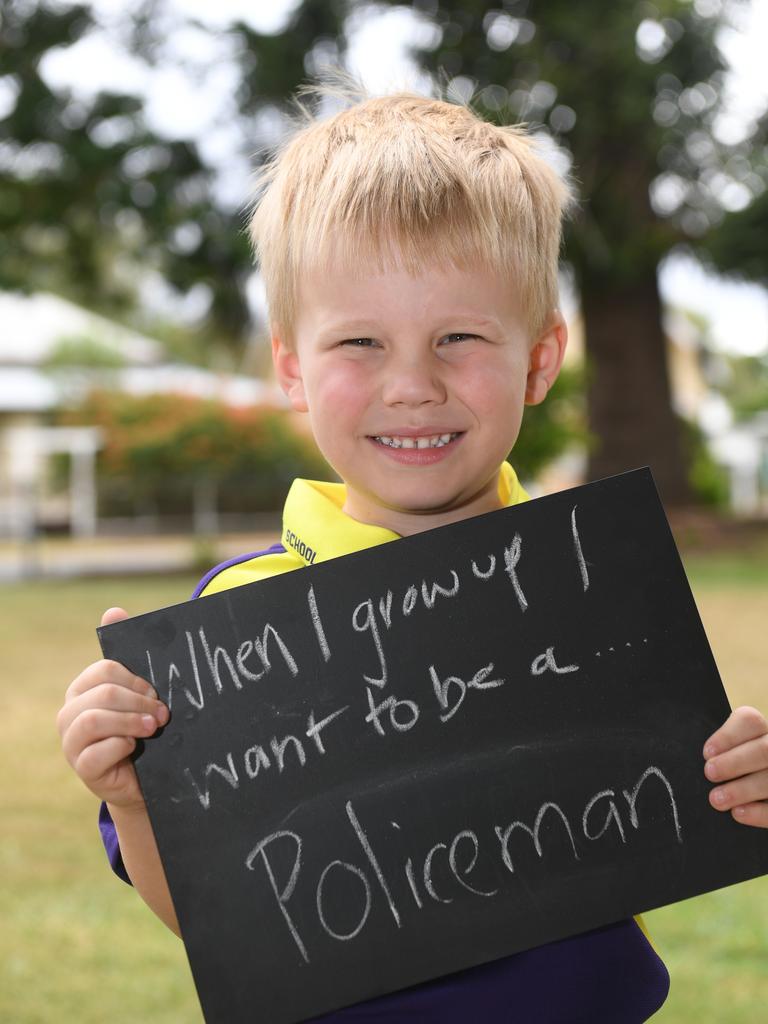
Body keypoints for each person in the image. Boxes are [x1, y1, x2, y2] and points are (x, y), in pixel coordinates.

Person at [57, 84, 768, 1022]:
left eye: (458, 338)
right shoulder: (234, 620)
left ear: (540, 361)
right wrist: (138, 799)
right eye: (359, 342)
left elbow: (660, 804)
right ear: (292, 370)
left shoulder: (596, 586)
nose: (412, 386)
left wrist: (744, 780)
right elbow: (213, 919)